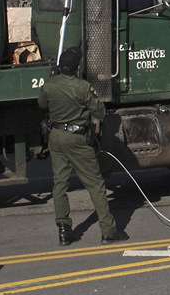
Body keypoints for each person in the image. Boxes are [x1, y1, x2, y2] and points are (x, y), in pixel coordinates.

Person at [38, 46, 129, 246]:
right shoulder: (82, 87)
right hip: (77, 139)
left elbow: (42, 104)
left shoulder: (49, 85)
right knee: (95, 184)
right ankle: (108, 231)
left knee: (60, 183)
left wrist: (51, 78)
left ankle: (64, 230)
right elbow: (100, 112)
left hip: (56, 136)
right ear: (77, 68)